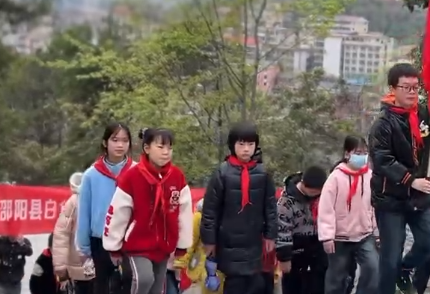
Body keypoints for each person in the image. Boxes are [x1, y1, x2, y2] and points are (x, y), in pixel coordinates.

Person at [369, 63, 430, 294]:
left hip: (420, 196)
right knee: (390, 257)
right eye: (406, 87)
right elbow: (382, 160)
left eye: (415, 87)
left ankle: (405, 268)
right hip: (391, 199)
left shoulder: (424, 113)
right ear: (393, 89)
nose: (412, 92)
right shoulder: (383, 123)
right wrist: (410, 180)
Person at [103, 128, 193, 294]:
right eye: (160, 147)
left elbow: (184, 213)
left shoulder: (177, 177)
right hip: (137, 245)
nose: (166, 152)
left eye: (170, 148)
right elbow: (118, 212)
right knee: (144, 279)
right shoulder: (132, 177)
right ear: (147, 148)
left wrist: (182, 244)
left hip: (164, 245)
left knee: (157, 287)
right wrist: (113, 245)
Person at [200, 122, 278, 294]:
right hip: (228, 241)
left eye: (250, 144)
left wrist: (271, 235)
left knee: (255, 284)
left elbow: (271, 207)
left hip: (254, 240)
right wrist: (209, 240)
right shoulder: (222, 172)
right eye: (241, 144)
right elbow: (210, 210)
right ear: (232, 145)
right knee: (234, 284)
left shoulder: (263, 173)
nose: (246, 149)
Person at [76, 123, 135, 293]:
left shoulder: (137, 171)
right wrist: (84, 249)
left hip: (130, 241)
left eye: (125, 140)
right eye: (115, 140)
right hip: (100, 242)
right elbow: (84, 214)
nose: (120, 145)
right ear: (104, 143)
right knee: (102, 287)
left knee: (129, 285)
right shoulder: (91, 175)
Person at [318, 136, 379, 294]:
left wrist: (376, 230)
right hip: (340, 237)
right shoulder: (335, 178)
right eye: (358, 152)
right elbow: (326, 208)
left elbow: (373, 205)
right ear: (347, 154)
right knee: (337, 277)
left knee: (373, 269)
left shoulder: (370, 176)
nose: (362, 157)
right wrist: (327, 236)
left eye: (365, 153)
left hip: (364, 234)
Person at [276, 165, 328, 294]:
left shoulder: (322, 197)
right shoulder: (286, 203)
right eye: (313, 192)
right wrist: (284, 258)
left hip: (318, 248)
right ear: (304, 185)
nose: (316, 195)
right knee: (294, 287)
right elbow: (282, 230)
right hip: (295, 249)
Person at [53, 171, 94, 293]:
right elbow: (61, 234)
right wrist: (61, 268)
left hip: (102, 264)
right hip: (79, 267)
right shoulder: (74, 202)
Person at [0, 230, 33, 294]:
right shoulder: (1, 241)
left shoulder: (24, 242)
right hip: (1, 281)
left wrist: (22, 244)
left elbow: (30, 252)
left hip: (15, 283)